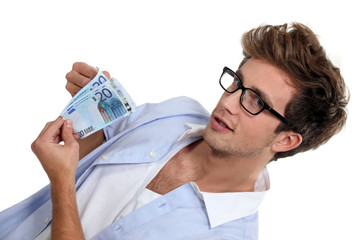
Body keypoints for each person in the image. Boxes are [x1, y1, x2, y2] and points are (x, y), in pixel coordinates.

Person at [0, 22, 348, 240]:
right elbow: (95, 154)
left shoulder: (224, 235)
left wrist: (61, 182)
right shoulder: (178, 112)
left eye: (255, 101)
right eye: (237, 84)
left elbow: (67, 181)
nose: (228, 102)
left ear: (286, 140)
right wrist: (93, 107)